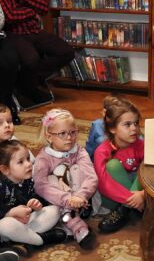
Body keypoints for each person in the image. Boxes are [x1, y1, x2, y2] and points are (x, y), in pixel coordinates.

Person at [33, 108, 98, 250]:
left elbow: (91, 176)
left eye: (73, 132)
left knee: (77, 169)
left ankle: (73, 216)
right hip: (59, 200)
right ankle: (76, 224)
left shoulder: (79, 151)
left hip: (81, 197)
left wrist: (81, 195)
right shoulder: (43, 158)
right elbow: (40, 186)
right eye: (62, 133)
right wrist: (67, 199)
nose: (69, 137)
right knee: (53, 176)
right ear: (49, 137)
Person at [0, 139, 65, 248]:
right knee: (6, 226)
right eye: (21, 162)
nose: (28, 164)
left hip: (27, 222)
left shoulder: (28, 180)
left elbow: (39, 197)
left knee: (55, 210)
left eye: (28, 159)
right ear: (5, 169)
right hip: (7, 226)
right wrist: (11, 212)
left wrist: (35, 203)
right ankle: (41, 240)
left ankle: (24, 240)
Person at [93, 95, 145, 234]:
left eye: (136, 123)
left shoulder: (140, 145)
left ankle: (126, 211)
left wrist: (142, 194)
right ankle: (134, 207)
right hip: (111, 198)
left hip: (136, 196)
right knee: (113, 165)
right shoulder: (102, 151)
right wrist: (132, 199)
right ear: (112, 128)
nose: (134, 128)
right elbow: (104, 185)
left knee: (147, 164)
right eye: (127, 124)